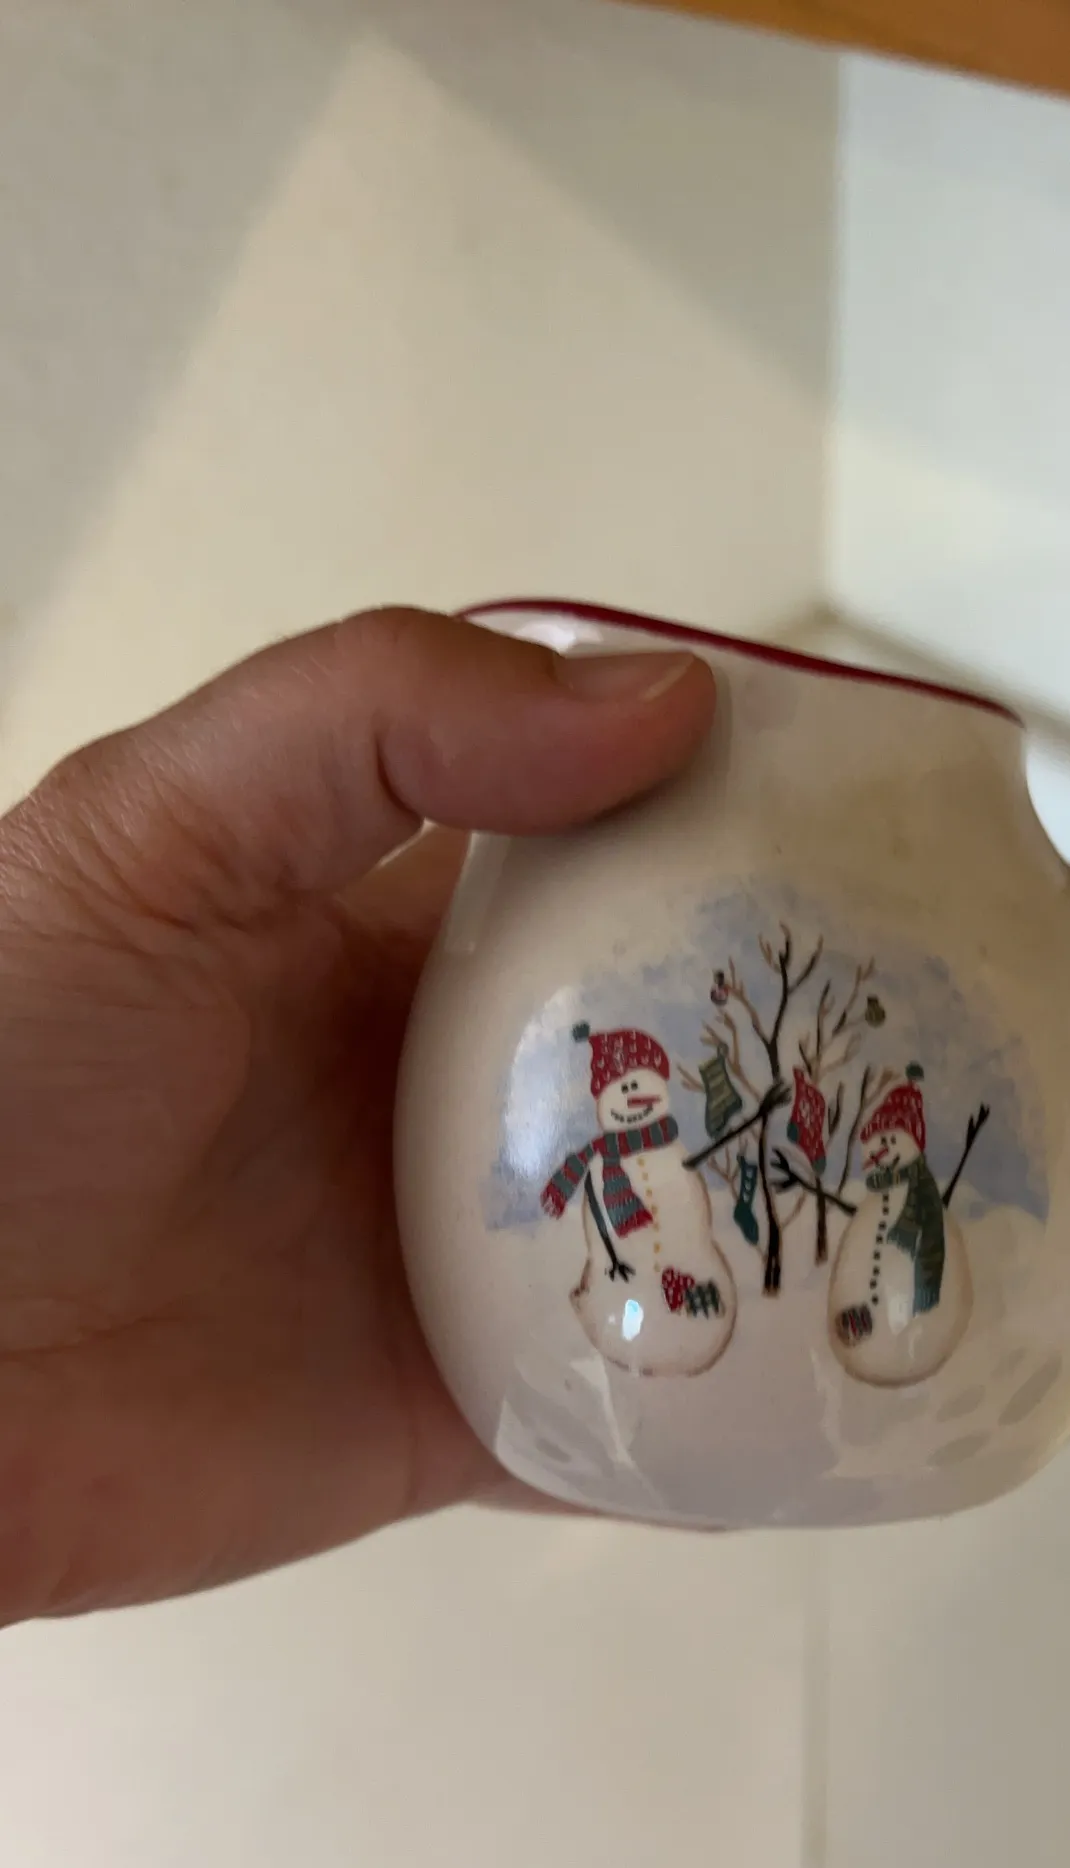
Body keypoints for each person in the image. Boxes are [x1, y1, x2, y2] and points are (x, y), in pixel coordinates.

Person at [0, 609, 716, 1623]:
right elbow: (568, 1185)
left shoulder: (660, 1151)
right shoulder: (593, 1149)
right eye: (625, 1091)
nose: (635, 1102)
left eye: (641, 1090)